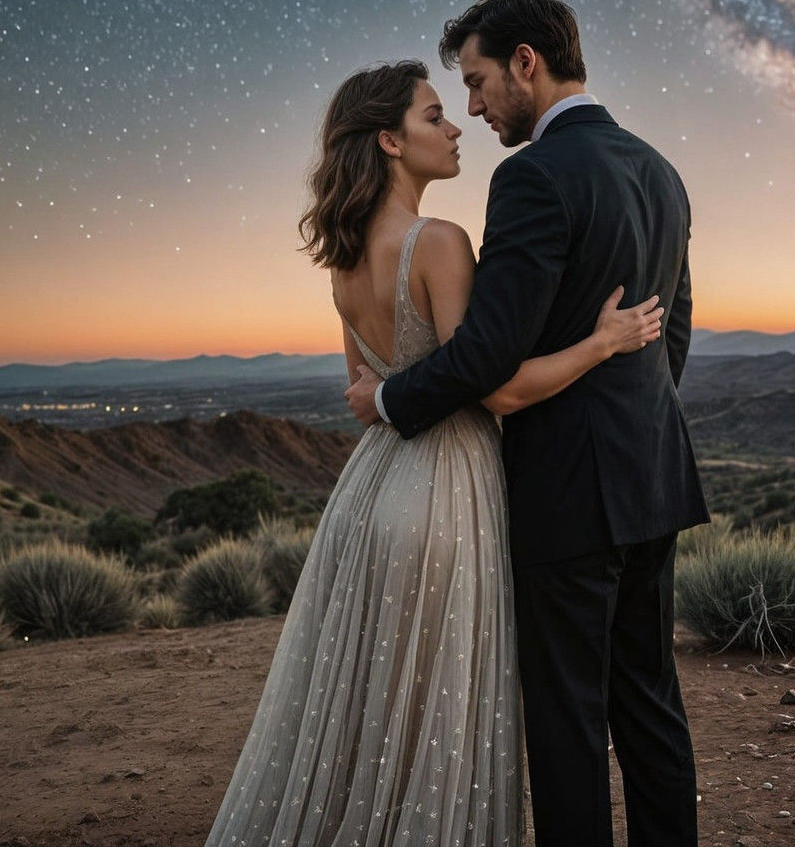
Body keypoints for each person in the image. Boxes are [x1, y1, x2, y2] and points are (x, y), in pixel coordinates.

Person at [203, 58, 663, 847]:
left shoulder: (343, 265)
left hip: (372, 494)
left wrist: (391, 398)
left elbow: (364, 398)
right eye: (433, 116)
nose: (457, 127)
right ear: (389, 140)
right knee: (436, 702)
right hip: (449, 490)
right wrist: (602, 343)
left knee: (374, 704)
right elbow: (494, 387)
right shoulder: (441, 242)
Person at [345, 0, 710, 847]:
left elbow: (484, 359)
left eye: (476, 82)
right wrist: (629, 421)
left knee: (568, 725)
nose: (472, 106)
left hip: (564, 495)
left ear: (525, 63)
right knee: (651, 708)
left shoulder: (533, 177)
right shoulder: (659, 169)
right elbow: (673, 334)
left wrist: (387, 398)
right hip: (652, 477)